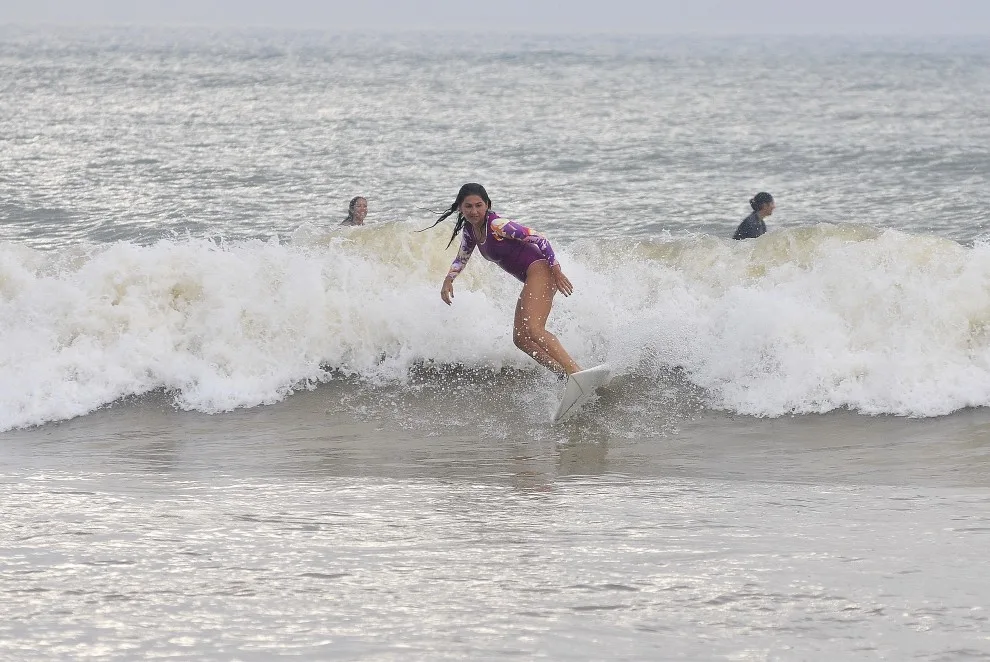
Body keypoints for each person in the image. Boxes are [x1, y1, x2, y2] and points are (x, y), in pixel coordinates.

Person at [424, 183, 582, 377]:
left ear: (487, 205)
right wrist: (448, 280)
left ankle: (575, 371)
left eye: (479, 205)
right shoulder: (470, 230)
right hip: (532, 277)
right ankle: (563, 374)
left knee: (534, 329)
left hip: (541, 271)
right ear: (460, 208)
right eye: (468, 206)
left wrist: (556, 270)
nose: (474, 211)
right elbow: (461, 258)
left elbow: (540, 238)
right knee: (521, 339)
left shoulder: (497, 225)